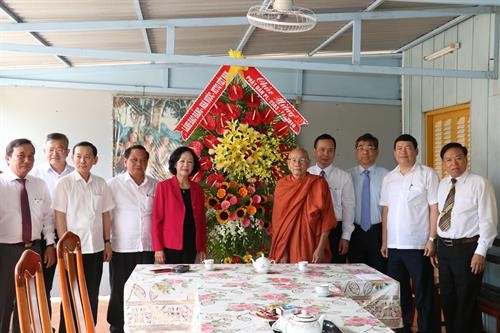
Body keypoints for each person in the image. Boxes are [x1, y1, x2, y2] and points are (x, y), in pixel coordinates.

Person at [52, 141, 115, 332]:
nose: (82, 160)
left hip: (95, 248)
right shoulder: (64, 184)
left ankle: (89, 327)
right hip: (72, 251)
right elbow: (59, 216)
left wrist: (107, 242)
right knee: (71, 294)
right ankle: (68, 329)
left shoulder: (101, 183)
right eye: (79, 156)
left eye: (87, 156)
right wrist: (64, 246)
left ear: (95, 160)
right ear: (72, 157)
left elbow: (105, 214)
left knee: (91, 293)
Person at [435, 142, 498, 333]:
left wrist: (480, 252)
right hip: (444, 249)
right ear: (444, 163)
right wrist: (436, 244)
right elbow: (441, 215)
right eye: (449, 160)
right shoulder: (443, 183)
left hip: (467, 250)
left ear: (465, 159)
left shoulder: (480, 183)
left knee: (465, 301)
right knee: (448, 298)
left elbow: (488, 220)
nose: (454, 163)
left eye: (458, 158)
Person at [380, 134, 439, 333]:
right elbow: (386, 210)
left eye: (408, 147)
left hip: (418, 245)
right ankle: (403, 329)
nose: (403, 151)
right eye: (399, 148)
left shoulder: (427, 174)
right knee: (399, 293)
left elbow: (434, 208)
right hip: (395, 246)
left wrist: (432, 239)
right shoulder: (389, 177)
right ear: (394, 152)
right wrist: (385, 241)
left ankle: (427, 329)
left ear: (416, 151)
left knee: (424, 292)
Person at [0, 138, 55, 333]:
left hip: (34, 249)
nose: (27, 160)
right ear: (8, 158)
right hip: (5, 251)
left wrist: (50, 244)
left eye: (31, 156)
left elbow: (48, 217)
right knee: (4, 303)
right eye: (21, 156)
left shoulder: (39, 184)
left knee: (29, 302)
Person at [106, 145, 158, 333]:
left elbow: (159, 216)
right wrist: (107, 242)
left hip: (147, 245)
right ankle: (117, 326)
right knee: (120, 289)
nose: (138, 163)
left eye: (142, 160)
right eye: (134, 159)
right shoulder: (113, 184)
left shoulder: (155, 185)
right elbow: (106, 216)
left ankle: (144, 324)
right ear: (125, 161)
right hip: (122, 246)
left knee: (146, 288)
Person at [31, 132, 74, 313]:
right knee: (43, 284)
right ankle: (46, 325)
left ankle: (69, 326)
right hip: (43, 235)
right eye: (51, 149)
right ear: (43, 151)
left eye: (60, 149)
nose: (55, 153)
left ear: (68, 151)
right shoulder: (35, 175)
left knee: (72, 282)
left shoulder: (76, 173)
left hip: (70, 233)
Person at [270, 147, 336, 264]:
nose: (297, 164)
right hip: (288, 244)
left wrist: (320, 248)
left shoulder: (319, 183)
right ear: (288, 164)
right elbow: (277, 222)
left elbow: (327, 219)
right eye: (293, 160)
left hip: (312, 242)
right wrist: (282, 251)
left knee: (313, 278)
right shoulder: (281, 185)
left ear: (308, 163)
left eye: (302, 160)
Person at [152, 146, 207, 264]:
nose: (185, 165)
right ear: (175, 164)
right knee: (170, 280)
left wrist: (202, 247)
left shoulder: (198, 190)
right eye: (182, 161)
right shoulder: (163, 187)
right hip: (170, 246)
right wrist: (158, 248)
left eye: (190, 162)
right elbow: (156, 220)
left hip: (192, 244)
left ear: (193, 166)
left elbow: (202, 221)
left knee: (190, 279)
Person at [308, 134, 354, 263]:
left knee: (335, 270)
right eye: (322, 149)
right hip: (311, 229)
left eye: (330, 150)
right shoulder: (306, 174)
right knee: (311, 270)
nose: (325, 154)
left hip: (335, 231)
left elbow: (348, 208)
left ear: (334, 152)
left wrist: (346, 237)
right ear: (315, 151)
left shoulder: (344, 177)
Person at [347, 133, 388, 273]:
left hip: (378, 231)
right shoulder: (347, 175)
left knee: (379, 272)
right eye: (361, 147)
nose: (365, 151)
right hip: (354, 231)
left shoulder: (387, 175)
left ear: (377, 152)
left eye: (370, 147)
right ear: (355, 152)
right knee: (355, 273)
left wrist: (385, 238)